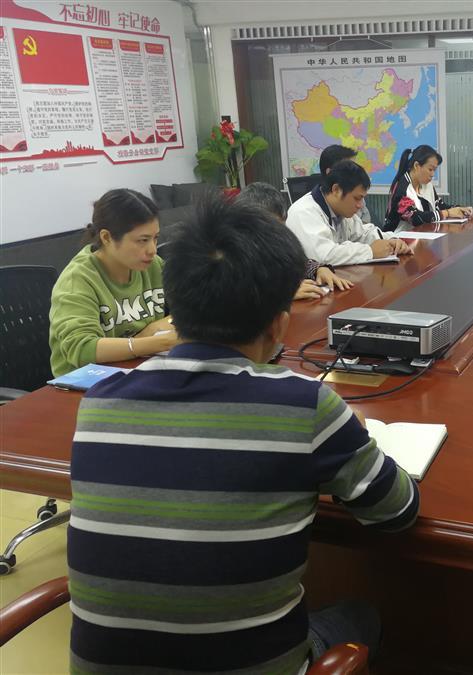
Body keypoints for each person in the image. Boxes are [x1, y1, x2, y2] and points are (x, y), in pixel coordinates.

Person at [67, 195, 420, 673]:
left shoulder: (98, 402)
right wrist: (349, 442)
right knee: (360, 615)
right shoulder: (307, 407)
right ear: (279, 326)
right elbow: (397, 512)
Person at [49, 189, 178, 376]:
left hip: (137, 368)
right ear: (106, 237)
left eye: (155, 238)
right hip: (86, 382)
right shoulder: (78, 280)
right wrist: (158, 342)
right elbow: (82, 349)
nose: (152, 250)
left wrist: (153, 330)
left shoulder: (152, 266)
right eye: (142, 240)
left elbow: (189, 309)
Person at [236, 182, 353, 300]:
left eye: (279, 229)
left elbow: (295, 262)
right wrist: (281, 293)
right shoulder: (230, 254)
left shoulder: (274, 245)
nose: (275, 237)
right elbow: (235, 297)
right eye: (268, 230)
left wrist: (319, 269)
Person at [285, 160, 411, 266]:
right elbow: (324, 255)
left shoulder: (341, 210)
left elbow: (362, 234)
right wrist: (370, 251)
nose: (360, 205)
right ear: (336, 190)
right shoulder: (304, 212)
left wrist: (391, 240)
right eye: (357, 198)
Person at [383, 145, 473, 231]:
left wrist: (460, 209)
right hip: (397, 238)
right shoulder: (402, 187)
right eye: (430, 169)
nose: (432, 174)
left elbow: (439, 206)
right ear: (416, 166)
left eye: (434, 170)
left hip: (420, 235)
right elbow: (415, 218)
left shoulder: (427, 184)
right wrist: (448, 213)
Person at [318, 145, 371, 224]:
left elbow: (363, 228)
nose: (360, 205)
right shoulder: (308, 214)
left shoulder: (342, 207)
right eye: (349, 170)